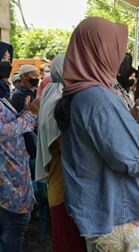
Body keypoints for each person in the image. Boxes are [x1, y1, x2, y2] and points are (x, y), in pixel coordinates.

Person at [53, 17, 139, 251]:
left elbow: (107, 145)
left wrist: (133, 122)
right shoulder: (98, 99)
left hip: (106, 213)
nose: (120, 57)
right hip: (120, 219)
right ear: (99, 51)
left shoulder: (80, 95)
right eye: (116, 48)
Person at [35, 55, 87, 252]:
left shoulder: (50, 93)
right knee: (69, 243)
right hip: (66, 187)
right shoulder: (60, 98)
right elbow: (64, 144)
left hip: (59, 182)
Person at [0, 43, 40, 251]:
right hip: (7, 180)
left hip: (12, 175)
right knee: (13, 229)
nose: (7, 63)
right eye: (3, 58)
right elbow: (3, 131)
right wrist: (29, 115)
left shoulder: (4, 93)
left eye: (8, 58)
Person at [11, 65, 39, 162]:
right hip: (28, 138)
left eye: (37, 75)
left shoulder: (37, 92)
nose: (36, 78)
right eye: (34, 76)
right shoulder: (18, 96)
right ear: (24, 77)